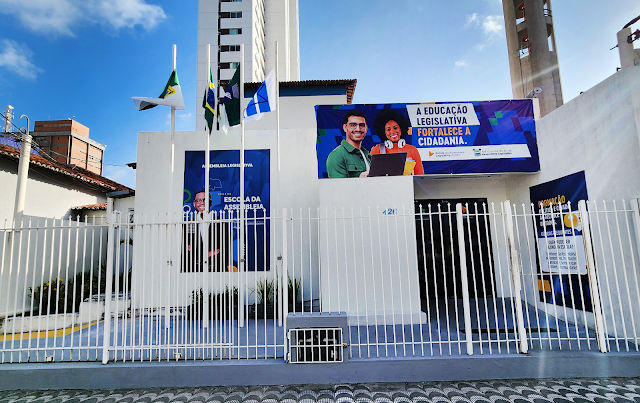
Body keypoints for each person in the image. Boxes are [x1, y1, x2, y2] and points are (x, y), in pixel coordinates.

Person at [182, 190, 231, 272]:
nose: (202, 203)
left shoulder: (222, 222)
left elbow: (225, 249)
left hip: (216, 268)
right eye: (198, 200)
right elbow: (186, 249)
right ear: (194, 204)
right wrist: (211, 253)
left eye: (205, 200)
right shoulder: (188, 224)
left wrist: (196, 253)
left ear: (211, 202)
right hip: (194, 269)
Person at [370, 109, 424, 175]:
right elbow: (371, 176)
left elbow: (420, 176)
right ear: (384, 132)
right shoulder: (377, 149)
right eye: (388, 129)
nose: (393, 132)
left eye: (395, 128)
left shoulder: (412, 150)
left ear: (401, 128)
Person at [326, 110, 372, 178]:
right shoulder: (337, 156)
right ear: (345, 128)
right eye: (353, 125)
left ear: (366, 128)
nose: (358, 129)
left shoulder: (368, 155)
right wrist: (361, 180)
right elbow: (338, 184)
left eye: (362, 125)